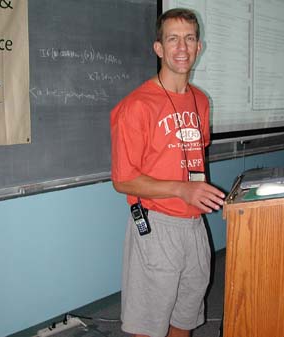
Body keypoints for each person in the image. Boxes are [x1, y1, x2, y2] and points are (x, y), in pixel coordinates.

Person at [110, 8, 225, 337]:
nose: (182, 48)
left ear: (198, 47)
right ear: (158, 48)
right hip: (156, 225)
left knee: (185, 317)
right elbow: (123, 179)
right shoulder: (136, 106)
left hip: (194, 226)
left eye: (189, 39)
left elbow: (194, 160)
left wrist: (206, 196)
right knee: (148, 324)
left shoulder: (201, 101)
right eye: (172, 39)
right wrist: (181, 190)